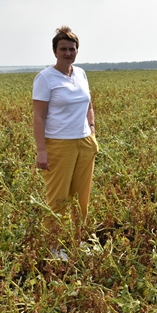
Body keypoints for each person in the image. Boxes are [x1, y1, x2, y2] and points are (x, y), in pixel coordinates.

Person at [32, 26, 99, 253]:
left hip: (84, 142)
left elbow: (89, 105)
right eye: (63, 49)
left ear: (77, 51)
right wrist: (41, 150)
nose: (68, 53)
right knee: (58, 198)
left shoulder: (80, 73)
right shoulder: (45, 78)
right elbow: (39, 117)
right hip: (59, 144)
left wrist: (92, 130)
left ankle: (79, 242)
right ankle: (53, 247)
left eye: (72, 48)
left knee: (82, 198)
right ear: (55, 51)